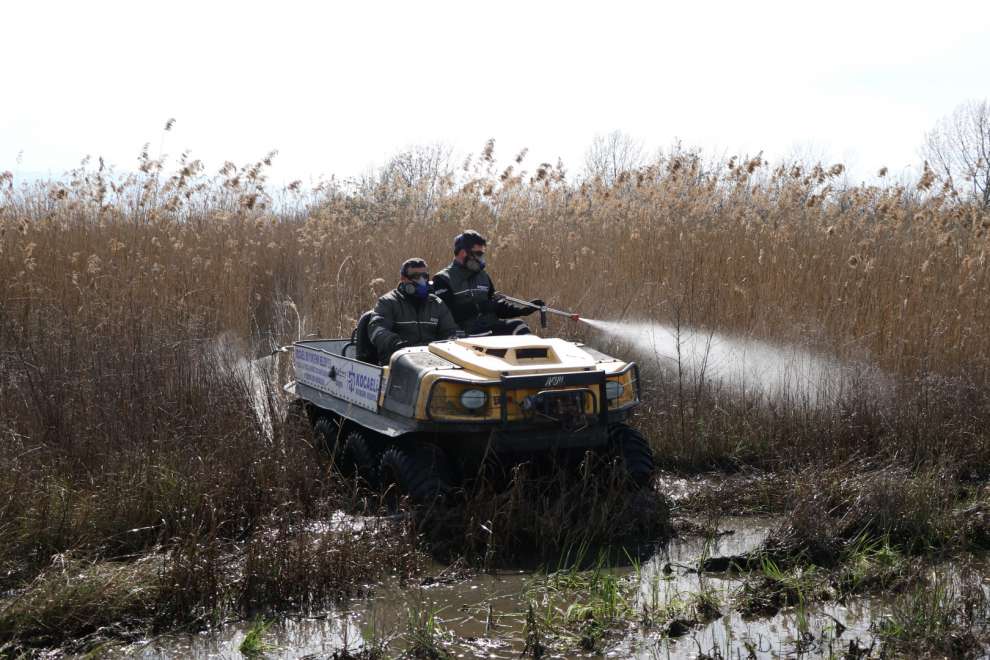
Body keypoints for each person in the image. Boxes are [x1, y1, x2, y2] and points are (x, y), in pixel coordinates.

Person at [432, 230, 544, 336]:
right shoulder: (442, 279)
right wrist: (480, 307)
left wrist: (524, 309)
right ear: (463, 253)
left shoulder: (483, 276)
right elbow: (447, 316)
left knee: (519, 326)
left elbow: (496, 308)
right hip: (465, 334)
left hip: (490, 328)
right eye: (478, 253)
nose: (481, 259)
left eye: (482, 254)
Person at [368, 258, 459, 363]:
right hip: (398, 360)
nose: (422, 280)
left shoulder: (436, 303)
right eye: (416, 277)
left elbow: (450, 331)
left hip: (431, 360)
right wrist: (395, 343)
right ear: (403, 279)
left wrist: (451, 341)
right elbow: (376, 330)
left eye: (425, 276)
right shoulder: (388, 302)